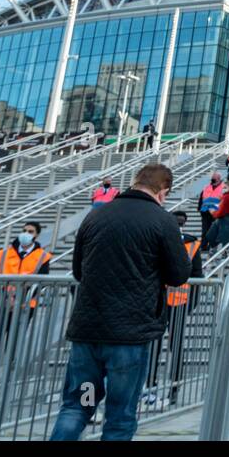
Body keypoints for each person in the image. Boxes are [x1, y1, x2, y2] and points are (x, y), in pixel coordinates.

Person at [50, 163, 190, 441]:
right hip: (129, 335)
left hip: (88, 333)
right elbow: (178, 275)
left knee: (78, 406)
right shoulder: (162, 221)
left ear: (134, 182)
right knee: (120, 414)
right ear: (163, 191)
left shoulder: (96, 216)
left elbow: (78, 271)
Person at [0, 221, 53, 402]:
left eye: (30, 231)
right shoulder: (4, 254)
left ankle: (5, 388)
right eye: (24, 230)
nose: (26, 233)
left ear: (37, 235)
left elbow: (41, 284)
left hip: (24, 308)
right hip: (0, 305)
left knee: (13, 348)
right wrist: (5, 298)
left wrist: (20, 299)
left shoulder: (43, 256)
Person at [146, 211, 203, 403]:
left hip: (170, 302)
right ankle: (160, 387)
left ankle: (161, 387)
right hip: (169, 302)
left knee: (164, 345)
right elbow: (198, 277)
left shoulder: (186, 243)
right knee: (165, 345)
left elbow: (197, 277)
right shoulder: (185, 243)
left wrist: (190, 305)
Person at [205, 178, 229, 256]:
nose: (223, 189)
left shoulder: (226, 197)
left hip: (224, 218)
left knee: (217, 235)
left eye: (224, 188)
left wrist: (214, 213)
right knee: (226, 236)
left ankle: (217, 250)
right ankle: (223, 251)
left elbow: (221, 210)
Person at [196, 171, 225, 240]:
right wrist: (199, 208)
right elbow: (201, 197)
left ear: (219, 178)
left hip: (216, 211)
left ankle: (212, 246)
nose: (212, 179)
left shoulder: (223, 187)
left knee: (215, 230)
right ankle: (204, 246)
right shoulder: (207, 187)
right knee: (205, 230)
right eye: (212, 177)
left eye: (214, 177)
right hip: (205, 211)